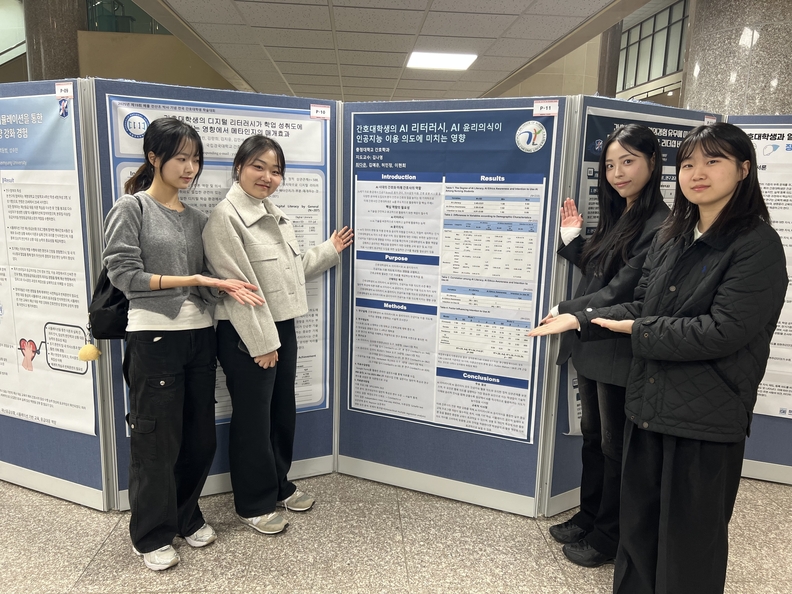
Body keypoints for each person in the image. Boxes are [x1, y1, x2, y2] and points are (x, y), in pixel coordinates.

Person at [529, 122, 787, 594]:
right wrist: (581, 319)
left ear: (744, 169)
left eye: (713, 161)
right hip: (648, 407)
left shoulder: (757, 245)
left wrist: (635, 329)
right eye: (689, 164)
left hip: (705, 420)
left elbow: (722, 332)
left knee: (687, 546)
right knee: (639, 535)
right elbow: (641, 303)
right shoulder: (674, 235)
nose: (698, 173)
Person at [103, 117, 264, 571]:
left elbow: (206, 284)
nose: (190, 168)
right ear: (153, 157)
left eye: (195, 159)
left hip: (200, 337)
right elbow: (124, 275)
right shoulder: (132, 208)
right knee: (156, 440)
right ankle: (150, 534)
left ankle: (186, 515)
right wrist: (193, 278)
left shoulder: (197, 219)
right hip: (153, 337)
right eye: (180, 158)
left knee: (198, 437)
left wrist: (220, 286)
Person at [202, 135, 353, 536]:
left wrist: (329, 250)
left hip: (282, 325)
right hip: (247, 333)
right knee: (253, 419)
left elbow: (289, 270)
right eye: (258, 167)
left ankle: (278, 484)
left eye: (276, 171)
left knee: (281, 411)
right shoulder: (225, 218)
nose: (267, 177)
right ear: (239, 167)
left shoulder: (274, 214)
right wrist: (263, 343)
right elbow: (239, 289)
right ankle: (253, 503)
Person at [543, 124, 669, 568]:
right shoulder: (622, 215)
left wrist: (566, 311)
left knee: (616, 447)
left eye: (628, 162)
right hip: (592, 346)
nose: (618, 173)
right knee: (594, 440)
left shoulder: (661, 225)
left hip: (619, 349)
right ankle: (590, 515)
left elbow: (622, 291)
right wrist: (573, 240)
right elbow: (601, 270)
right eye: (611, 165)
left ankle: (609, 535)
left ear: (653, 162)